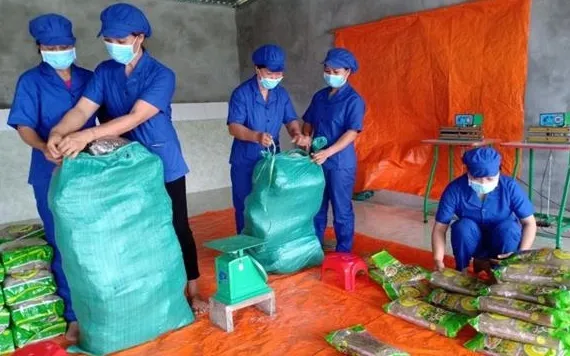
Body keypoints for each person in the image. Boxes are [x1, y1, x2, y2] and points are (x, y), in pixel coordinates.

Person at [45, 3, 207, 313]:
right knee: (132, 226)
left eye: (120, 40)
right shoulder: (106, 72)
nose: (113, 46)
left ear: (139, 37)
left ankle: (193, 290)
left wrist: (85, 136)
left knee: (176, 226)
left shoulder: (161, 74)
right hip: (121, 165)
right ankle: (149, 292)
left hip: (162, 162)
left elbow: (135, 118)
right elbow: (82, 110)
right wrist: (59, 132)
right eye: (109, 40)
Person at [7, 13, 98, 342]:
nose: (59, 50)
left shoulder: (90, 78)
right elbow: (24, 126)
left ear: (74, 45)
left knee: (95, 239)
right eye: (51, 47)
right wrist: (43, 145)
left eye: (65, 45)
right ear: (39, 48)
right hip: (50, 171)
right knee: (64, 243)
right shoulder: (30, 82)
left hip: (89, 170)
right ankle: (74, 317)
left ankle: (102, 304)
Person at [227, 44, 310, 234]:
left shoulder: (281, 94)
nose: (274, 79)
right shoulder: (241, 94)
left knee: (270, 203)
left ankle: (267, 242)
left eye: (278, 75)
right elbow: (233, 126)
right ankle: (246, 245)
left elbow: (290, 120)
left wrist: (296, 134)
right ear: (257, 69)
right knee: (245, 203)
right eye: (270, 74)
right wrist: (255, 136)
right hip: (245, 160)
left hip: (271, 160)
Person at [431, 147, 537, 272]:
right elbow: (440, 228)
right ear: (468, 172)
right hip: (472, 241)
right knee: (462, 227)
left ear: (499, 171)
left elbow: (529, 223)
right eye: (476, 179)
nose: (483, 183)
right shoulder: (455, 189)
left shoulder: (510, 187)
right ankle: (463, 269)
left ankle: (502, 270)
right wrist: (438, 259)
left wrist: (520, 254)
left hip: (502, 241)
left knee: (510, 229)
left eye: (490, 179)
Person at [302, 48, 366, 253]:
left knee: (341, 209)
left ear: (347, 72)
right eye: (327, 70)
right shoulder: (320, 97)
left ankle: (343, 251)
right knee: (316, 207)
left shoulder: (354, 100)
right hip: (316, 160)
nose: (330, 75)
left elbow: (352, 132)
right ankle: (314, 247)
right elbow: (309, 121)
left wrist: (328, 152)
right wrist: (306, 138)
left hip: (340, 163)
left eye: (335, 72)